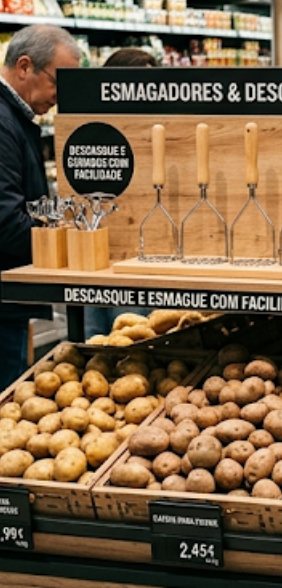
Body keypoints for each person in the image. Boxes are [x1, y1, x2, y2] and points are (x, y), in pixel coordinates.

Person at [0, 24, 81, 388]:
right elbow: (7, 223)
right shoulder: (2, 124)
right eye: (57, 82)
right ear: (24, 67)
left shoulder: (14, 119)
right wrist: (65, 239)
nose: (60, 97)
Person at [79, 47, 159, 340]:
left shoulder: (164, 138)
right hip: (101, 261)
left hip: (146, 265)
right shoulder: (95, 136)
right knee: (95, 343)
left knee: (134, 339)